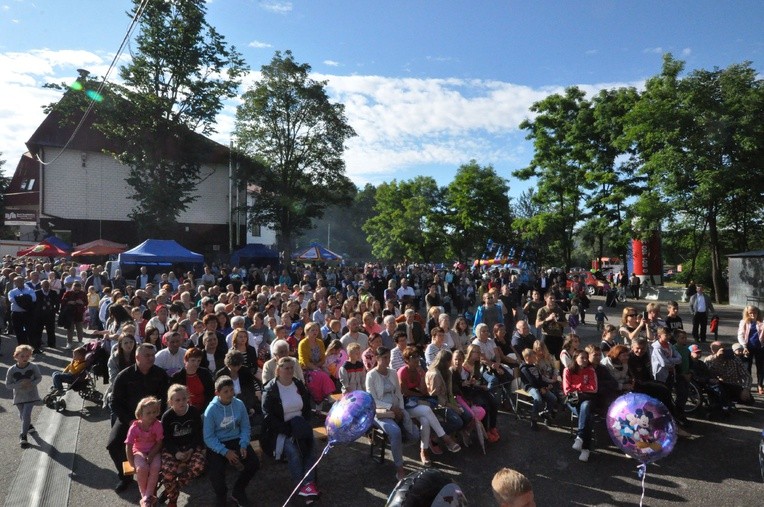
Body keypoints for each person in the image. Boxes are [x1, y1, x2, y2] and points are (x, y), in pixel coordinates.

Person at [108, 343, 169, 492]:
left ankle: (156, 476)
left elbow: (166, 399)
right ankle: (126, 476)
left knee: (165, 443)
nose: (151, 358)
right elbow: (114, 402)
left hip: (154, 419)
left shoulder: (160, 374)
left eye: (152, 355)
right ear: (137, 357)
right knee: (114, 444)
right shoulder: (124, 376)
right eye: (147, 355)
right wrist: (130, 421)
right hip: (130, 419)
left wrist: (156, 419)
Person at [261, 357, 319, 500]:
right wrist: (287, 430)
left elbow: (306, 408)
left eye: (292, 368)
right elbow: (267, 416)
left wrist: (302, 424)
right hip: (280, 430)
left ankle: (309, 484)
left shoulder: (298, 385)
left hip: (299, 426)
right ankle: (300, 486)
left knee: (311, 448)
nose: (289, 371)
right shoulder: (271, 389)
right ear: (278, 370)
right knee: (293, 452)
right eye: (286, 368)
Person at [398, 346, 461, 465]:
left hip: (417, 402)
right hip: (406, 404)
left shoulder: (418, 370)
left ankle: (424, 451)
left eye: (417, 356)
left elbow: (424, 391)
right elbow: (404, 392)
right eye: (413, 357)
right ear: (407, 360)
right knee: (427, 410)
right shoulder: (402, 371)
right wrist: (417, 393)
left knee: (426, 422)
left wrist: (422, 377)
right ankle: (445, 438)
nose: (416, 359)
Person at [204, 376, 259, 507]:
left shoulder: (239, 404)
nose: (230, 394)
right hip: (218, 444)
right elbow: (208, 437)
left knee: (254, 463)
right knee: (216, 473)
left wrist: (244, 443)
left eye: (231, 390)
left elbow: (245, 426)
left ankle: (238, 491)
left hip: (236, 440)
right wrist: (225, 452)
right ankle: (221, 496)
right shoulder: (211, 410)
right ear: (217, 393)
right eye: (225, 391)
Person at [366, 346, 415, 480]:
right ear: (377, 358)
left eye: (389, 357)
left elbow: (398, 393)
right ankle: (399, 468)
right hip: (380, 412)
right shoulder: (371, 375)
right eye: (384, 357)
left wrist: (400, 408)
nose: (388, 360)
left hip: (396, 407)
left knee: (415, 434)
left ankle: (397, 445)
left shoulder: (393, 372)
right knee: (395, 432)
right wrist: (390, 407)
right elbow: (372, 399)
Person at [125, 396, 163, 507]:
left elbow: (159, 443)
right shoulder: (135, 427)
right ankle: (145, 496)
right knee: (142, 468)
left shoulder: (157, 424)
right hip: (139, 451)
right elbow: (128, 445)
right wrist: (131, 462)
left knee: (156, 466)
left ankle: (147, 497)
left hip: (154, 450)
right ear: (140, 414)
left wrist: (151, 455)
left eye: (154, 412)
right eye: (148, 413)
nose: (152, 415)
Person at [426, 349, 472, 439]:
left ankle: (452, 435)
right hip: (438, 404)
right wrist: (452, 406)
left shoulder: (448, 372)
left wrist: (455, 404)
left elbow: (450, 392)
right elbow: (435, 397)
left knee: (467, 416)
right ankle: (434, 435)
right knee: (458, 422)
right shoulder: (435, 374)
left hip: (449, 401)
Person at [459, 344, 500, 442]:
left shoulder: (478, 365)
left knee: (494, 403)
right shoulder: (464, 366)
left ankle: (492, 427)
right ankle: (485, 430)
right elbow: (465, 384)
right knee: (484, 406)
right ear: (470, 353)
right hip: (469, 392)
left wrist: (482, 385)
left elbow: (478, 379)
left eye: (479, 352)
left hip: (478, 389)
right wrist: (480, 386)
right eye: (476, 352)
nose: (478, 354)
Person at [563, 350, 598, 462]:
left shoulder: (590, 370)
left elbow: (594, 389)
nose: (584, 360)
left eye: (586, 358)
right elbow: (567, 390)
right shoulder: (568, 370)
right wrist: (583, 389)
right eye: (582, 357)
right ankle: (585, 449)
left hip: (586, 400)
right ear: (575, 358)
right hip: (573, 401)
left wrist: (577, 389)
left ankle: (580, 438)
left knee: (586, 406)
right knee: (589, 418)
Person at [5, 344, 42, 448]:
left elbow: (39, 378)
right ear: (16, 356)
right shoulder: (11, 370)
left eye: (27, 356)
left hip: (31, 395)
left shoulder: (33, 366)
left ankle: (23, 436)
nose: (25, 358)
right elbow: (8, 385)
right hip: (19, 396)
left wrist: (32, 383)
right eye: (22, 356)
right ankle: (29, 426)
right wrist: (19, 385)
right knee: (22, 416)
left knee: (26, 415)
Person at [520, 347, 558, 430]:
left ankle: (545, 413)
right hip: (530, 387)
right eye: (533, 357)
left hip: (539, 386)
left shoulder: (534, 366)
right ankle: (533, 420)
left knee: (553, 398)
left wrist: (546, 385)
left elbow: (540, 378)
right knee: (538, 399)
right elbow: (532, 381)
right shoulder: (524, 369)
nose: (535, 358)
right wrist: (542, 388)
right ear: (527, 358)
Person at [170, 348, 215, 413]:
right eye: (193, 360)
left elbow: (210, 393)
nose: (196, 364)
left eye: (198, 361)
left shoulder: (205, 373)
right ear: (185, 360)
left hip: (204, 409)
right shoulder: (176, 377)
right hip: (184, 410)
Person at [737, 305, 764, 395]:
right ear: (747, 313)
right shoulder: (743, 322)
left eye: (754, 313)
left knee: (761, 367)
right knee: (747, 367)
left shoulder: (762, 322)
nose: (752, 315)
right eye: (750, 313)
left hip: (760, 348)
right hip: (747, 348)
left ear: (757, 313)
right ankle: (747, 386)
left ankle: (760, 385)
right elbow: (740, 335)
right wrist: (744, 346)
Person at [8, 276, 37, 348]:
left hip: (27, 313)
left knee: (30, 330)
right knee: (18, 331)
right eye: (17, 281)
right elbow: (12, 300)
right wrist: (26, 298)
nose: (19, 283)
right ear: (14, 283)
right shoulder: (12, 292)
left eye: (21, 281)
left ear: (23, 281)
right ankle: (22, 347)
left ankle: (33, 347)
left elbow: (33, 299)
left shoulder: (29, 290)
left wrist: (21, 297)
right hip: (16, 314)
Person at [536, 291, 566, 359]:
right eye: (551, 298)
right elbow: (537, 325)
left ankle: (557, 369)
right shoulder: (542, 310)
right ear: (545, 298)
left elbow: (566, 323)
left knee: (558, 357)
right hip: (547, 336)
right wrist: (547, 319)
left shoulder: (559, 310)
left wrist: (558, 322)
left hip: (558, 336)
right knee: (546, 356)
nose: (553, 300)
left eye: (554, 298)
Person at [33, 279, 60, 350]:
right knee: (38, 330)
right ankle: (37, 345)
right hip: (39, 315)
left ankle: (52, 344)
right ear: (41, 285)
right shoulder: (36, 293)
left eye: (47, 285)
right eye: (45, 286)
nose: (46, 287)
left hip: (50, 314)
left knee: (51, 330)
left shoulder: (53, 292)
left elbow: (57, 302)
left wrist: (55, 310)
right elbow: (34, 304)